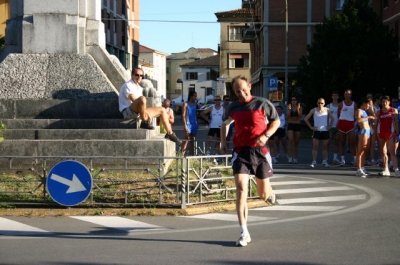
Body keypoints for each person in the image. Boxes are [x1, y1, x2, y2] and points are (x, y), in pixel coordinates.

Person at [220, 75, 280, 247]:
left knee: (263, 195)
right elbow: (225, 124)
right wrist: (223, 142)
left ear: (249, 86)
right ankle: (244, 232)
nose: (241, 93)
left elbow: (276, 121)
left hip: (260, 152)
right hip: (241, 152)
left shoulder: (262, 103)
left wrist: (266, 135)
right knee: (241, 190)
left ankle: (269, 192)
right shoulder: (233, 107)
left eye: (243, 90)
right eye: (237, 91)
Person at [118, 68, 181, 144]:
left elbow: (142, 105)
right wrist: (145, 115)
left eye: (141, 75)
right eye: (136, 75)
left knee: (162, 110)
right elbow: (135, 100)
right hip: (128, 111)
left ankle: (170, 133)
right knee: (142, 98)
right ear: (132, 75)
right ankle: (144, 121)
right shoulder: (128, 85)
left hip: (138, 112)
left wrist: (147, 114)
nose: (139, 77)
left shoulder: (139, 88)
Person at [304, 98, 334, 168]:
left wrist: (329, 126)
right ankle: (314, 161)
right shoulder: (314, 110)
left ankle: (324, 161)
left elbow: (332, 118)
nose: (320, 104)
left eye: (321, 103)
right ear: (317, 103)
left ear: (324, 104)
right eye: (319, 103)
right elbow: (306, 119)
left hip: (325, 131)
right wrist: (311, 127)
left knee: (325, 147)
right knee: (315, 146)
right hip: (316, 131)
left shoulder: (327, 110)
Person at [376, 95, 400, 177]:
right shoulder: (379, 112)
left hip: (390, 133)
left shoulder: (393, 110)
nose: (384, 103)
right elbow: (376, 124)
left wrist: (397, 133)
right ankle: (386, 169)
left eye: (386, 101)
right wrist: (376, 134)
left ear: (389, 102)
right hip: (381, 133)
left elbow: (396, 122)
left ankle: (396, 170)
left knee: (392, 152)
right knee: (383, 152)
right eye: (383, 101)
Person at [355, 97, 376, 177]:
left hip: (368, 131)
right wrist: (368, 117)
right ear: (364, 103)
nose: (369, 106)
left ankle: (362, 167)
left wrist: (371, 110)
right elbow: (358, 120)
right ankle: (358, 169)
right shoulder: (359, 110)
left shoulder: (366, 112)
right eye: (368, 104)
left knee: (365, 151)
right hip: (363, 131)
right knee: (360, 150)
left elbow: (373, 118)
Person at [337, 89, 357, 166]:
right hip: (342, 123)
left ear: (351, 95)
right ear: (344, 95)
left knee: (352, 143)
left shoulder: (354, 104)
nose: (347, 95)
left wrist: (353, 122)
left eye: (349, 94)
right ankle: (342, 160)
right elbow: (338, 114)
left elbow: (356, 115)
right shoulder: (341, 104)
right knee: (342, 143)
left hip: (350, 123)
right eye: (346, 94)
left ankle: (355, 159)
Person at [200, 95, 224, 161]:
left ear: (220, 101)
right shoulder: (211, 108)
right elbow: (202, 113)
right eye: (215, 100)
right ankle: (208, 152)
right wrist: (207, 120)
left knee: (218, 141)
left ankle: (216, 153)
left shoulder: (223, 108)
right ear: (214, 101)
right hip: (213, 126)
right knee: (209, 139)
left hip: (220, 127)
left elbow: (227, 117)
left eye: (218, 100)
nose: (217, 101)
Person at [286, 96, 302, 163]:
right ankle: (290, 156)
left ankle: (295, 157)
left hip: (297, 124)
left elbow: (300, 116)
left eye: (295, 100)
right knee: (291, 140)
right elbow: (288, 117)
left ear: (297, 101)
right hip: (291, 124)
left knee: (296, 142)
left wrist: (298, 110)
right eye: (292, 100)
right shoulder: (289, 107)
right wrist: (289, 110)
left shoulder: (300, 107)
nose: (293, 101)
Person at [181, 91, 198, 155]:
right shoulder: (185, 104)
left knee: (193, 140)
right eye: (194, 96)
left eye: (196, 96)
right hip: (188, 124)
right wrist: (185, 125)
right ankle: (182, 155)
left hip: (194, 124)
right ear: (191, 96)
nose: (196, 98)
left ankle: (192, 155)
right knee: (186, 140)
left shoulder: (195, 104)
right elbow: (183, 115)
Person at [328, 91, 341, 164]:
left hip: (338, 126)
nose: (335, 97)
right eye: (334, 95)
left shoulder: (340, 105)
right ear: (332, 97)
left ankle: (335, 158)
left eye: (336, 95)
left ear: (338, 97)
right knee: (327, 143)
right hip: (330, 126)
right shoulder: (329, 106)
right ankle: (325, 158)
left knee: (336, 142)